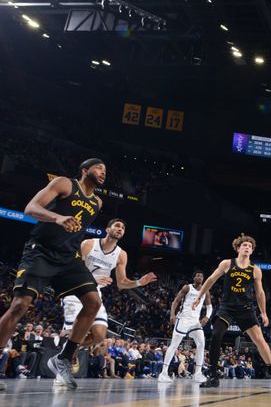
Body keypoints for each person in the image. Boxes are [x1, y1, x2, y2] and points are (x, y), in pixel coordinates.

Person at [0, 159, 107, 390]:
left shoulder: (97, 203)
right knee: (19, 305)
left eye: (106, 171)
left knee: (93, 302)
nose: (103, 173)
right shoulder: (65, 184)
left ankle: (63, 359)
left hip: (69, 258)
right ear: (85, 170)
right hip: (41, 251)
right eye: (99, 168)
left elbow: (75, 231)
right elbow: (31, 208)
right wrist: (57, 218)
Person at [192, 234, 271, 389]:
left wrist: (264, 313)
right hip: (227, 308)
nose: (247, 247)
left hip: (246, 309)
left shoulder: (255, 270)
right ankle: (213, 375)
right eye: (245, 245)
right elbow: (211, 280)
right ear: (238, 248)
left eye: (250, 246)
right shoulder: (227, 264)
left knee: (260, 340)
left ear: (252, 251)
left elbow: (260, 293)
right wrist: (199, 297)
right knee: (216, 335)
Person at [62, 219, 157, 350]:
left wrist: (139, 282)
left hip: (95, 293)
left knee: (99, 335)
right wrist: (93, 279)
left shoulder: (121, 255)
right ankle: (65, 353)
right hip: (76, 291)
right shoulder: (89, 244)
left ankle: (67, 352)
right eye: (117, 226)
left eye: (123, 228)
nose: (120, 229)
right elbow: (74, 271)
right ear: (107, 230)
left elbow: (122, 283)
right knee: (73, 334)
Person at [158, 270, 213, 383]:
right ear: (194, 278)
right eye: (197, 276)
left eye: (201, 276)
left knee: (201, 343)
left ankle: (197, 373)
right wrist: (172, 314)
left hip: (194, 322)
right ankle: (163, 373)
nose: (199, 277)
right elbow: (176, 301)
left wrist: (207, 317)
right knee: (174, 345)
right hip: (183, 319)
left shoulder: (206, 291)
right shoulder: (187, 288)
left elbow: (209, 307)